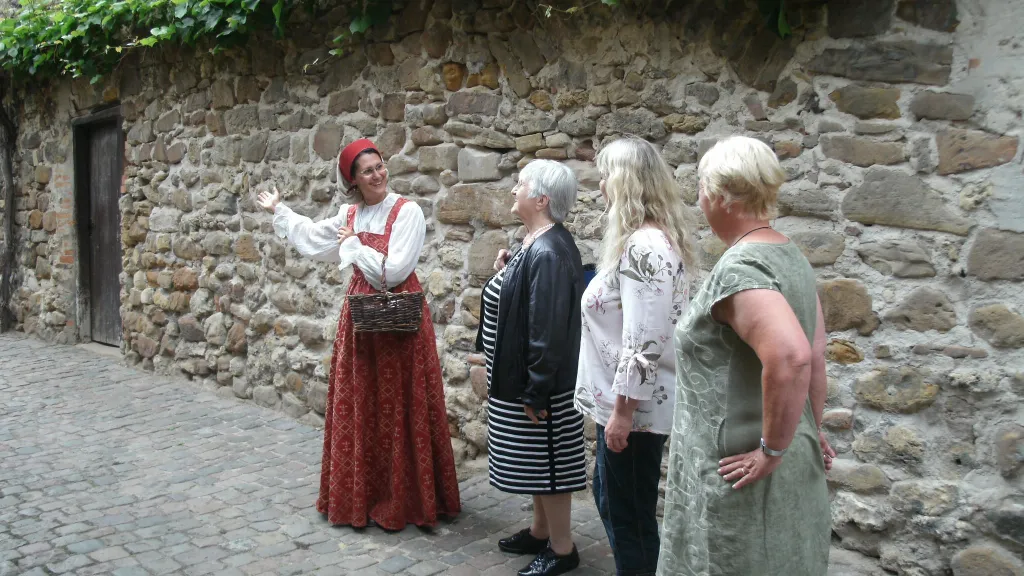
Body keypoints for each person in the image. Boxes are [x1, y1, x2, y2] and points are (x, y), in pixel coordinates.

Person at [256, 139, 461, 530]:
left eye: (380, 166)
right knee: (363, 400)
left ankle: (407, 497)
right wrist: (280, 211)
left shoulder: (407, 212)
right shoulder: (349, 213)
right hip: (360, 323)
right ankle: (363, 496)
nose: (378, 174)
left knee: (400, 401)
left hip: (400, 321)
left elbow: (394, 271)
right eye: (368, 171)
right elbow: (315, 239)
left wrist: (353, 243)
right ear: (353, 180)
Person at [657, 136, 835, 576]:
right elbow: (816, 353)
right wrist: (808, 430)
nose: (699, 199)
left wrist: (772, 449)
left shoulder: (741, 268)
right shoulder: (787, 253)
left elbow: (793, 357)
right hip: (771, 457)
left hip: (736, 470)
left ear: (720, 196)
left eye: (701, 188)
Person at [574, 137, 698, 576]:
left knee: (630, 517)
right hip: (626, 404)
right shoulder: (645, 240)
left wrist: (623, 412)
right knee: (614, 501)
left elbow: (645, 339)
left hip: (634, 409)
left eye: (606, 176)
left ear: (626, 182)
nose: (601, 185)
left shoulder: (645, 246)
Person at [475, 159, 586, 576]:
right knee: (535, 462)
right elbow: (528, 302)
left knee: (549, 464)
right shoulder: (535, 242)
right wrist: (510, 271)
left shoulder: (549, 251)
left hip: (542, 386)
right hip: (523, 378)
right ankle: (541, 532)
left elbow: (548, 328)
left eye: (520, 184)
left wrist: (537, 390)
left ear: (541, 199)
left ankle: (562, 549)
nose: (512, 189)